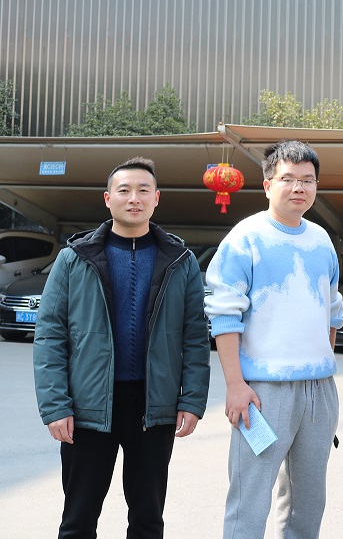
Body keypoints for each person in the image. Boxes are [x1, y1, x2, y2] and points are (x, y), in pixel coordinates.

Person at [33, 156, 210, 538]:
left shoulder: (180, 262)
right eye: (124, 190)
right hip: (87, 406)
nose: (134, 198)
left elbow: (195, 336)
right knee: (78, 519)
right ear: (108, 198)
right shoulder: (73, 259)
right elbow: (49, 335)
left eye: (143, 190)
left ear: (156, 198)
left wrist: (192, 399)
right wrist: (56, 405)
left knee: (148, 519)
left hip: (153, 406)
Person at [205, 140, 343, 539]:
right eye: (288, 179)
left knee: (308, 501)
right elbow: (224, 315)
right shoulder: (245, 238)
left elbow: (332, 312)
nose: (299, 187)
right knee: (250, 498)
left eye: (308, 180)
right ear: (268, 185)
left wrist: (324, 366)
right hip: (264, 390)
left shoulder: (321, 240)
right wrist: (235, 385)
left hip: (319, 390)